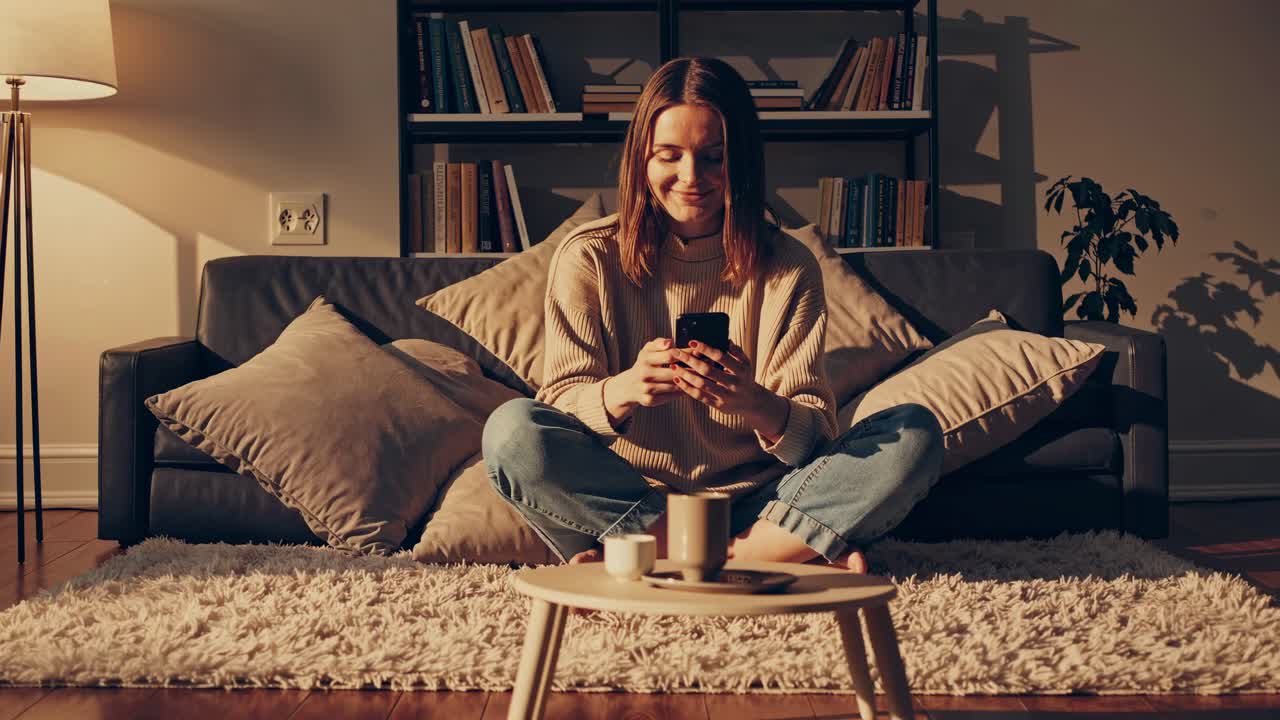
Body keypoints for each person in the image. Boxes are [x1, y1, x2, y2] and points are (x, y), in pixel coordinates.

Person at [483, 57, 944, 572]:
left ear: (741, 159)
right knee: (510, 433)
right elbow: (558, 412)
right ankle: (774, 555)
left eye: (713, 157)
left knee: (914, 434)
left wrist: (754, 403)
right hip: (635, 502)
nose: (690, 177)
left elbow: (815, 440)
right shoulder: (588, 256)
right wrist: (625, 390)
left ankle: (682, 557)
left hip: (761, 505)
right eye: (669, 156)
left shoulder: (789, 265)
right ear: (641, 159)